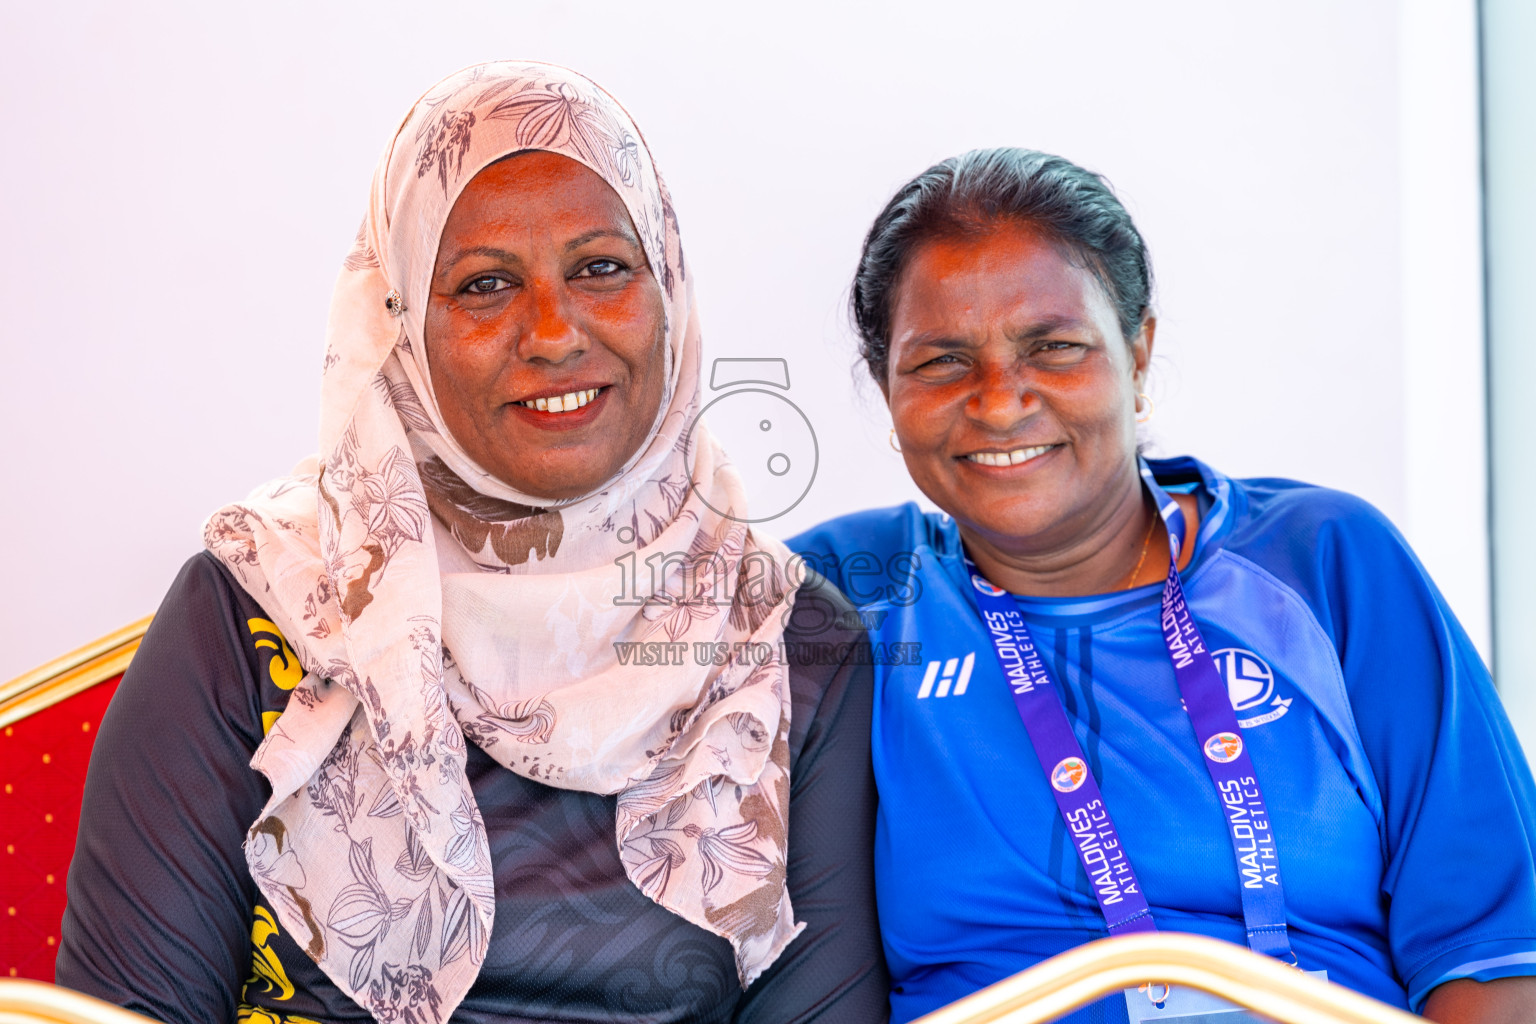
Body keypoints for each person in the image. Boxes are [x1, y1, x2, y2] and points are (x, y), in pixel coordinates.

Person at [56, 61, 887, 1024]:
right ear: (399, 325)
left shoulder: (782, 642)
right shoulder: (255, 608)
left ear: (670, 289)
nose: (552, 331)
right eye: (485, 285)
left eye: (603, 268)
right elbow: (128, 1008)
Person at [788, 148, 1536, 1024]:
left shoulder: (1325, 562)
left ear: (1137, 355)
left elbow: (1493, 953)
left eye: (1055, 348)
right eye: (941, 363)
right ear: (886, 389)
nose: (998, 402)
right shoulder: (847, 595)